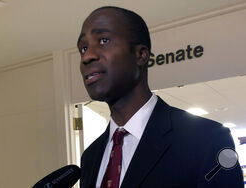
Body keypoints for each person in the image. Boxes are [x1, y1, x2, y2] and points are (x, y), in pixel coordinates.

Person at [77, 6, 244, 188]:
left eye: (103, 40)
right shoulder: (90, 156)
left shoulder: (208, 139)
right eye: (83, 48)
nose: (87, 56)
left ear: (141, 54)